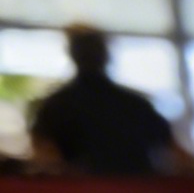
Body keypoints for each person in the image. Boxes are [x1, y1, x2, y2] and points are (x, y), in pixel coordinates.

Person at [31, 26, 179, 176]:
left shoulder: (56, 106)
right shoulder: (136, 104)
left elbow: (46, 160)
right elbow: (176, 153)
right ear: (107, 56)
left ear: (72, 56)